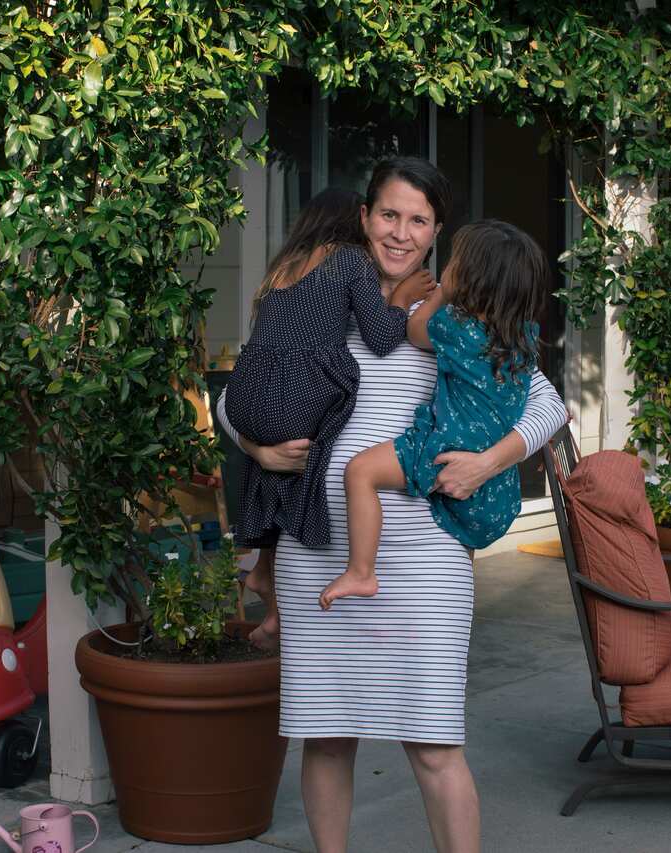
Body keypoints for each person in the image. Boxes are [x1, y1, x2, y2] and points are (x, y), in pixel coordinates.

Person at [218, 157, 566, 853]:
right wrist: (255, 451)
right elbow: (234, 398)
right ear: (365, 215)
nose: (400, 232)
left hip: (425, 556)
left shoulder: (454, 314)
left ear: (437, 230)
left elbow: (546, 404)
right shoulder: (319, 292)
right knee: (327, 736)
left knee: (433, 742)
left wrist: (486, 462)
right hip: (318, 555)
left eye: (418, 219)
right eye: (388, 214)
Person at [223, 188, 434, 645]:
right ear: (357, 223)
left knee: (283, 462)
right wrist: (402, 296)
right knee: (315, 445)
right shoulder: (350, 259)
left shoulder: (282, 268)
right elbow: (379, 337)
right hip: (294, 394)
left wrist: (255, 447)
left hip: (248, 392)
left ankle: (263, 572)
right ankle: (267, 577)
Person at [320, 220, 546, 609]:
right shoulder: (523, 337)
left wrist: (439, 295)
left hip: (446, 449)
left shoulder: (457, 328)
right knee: (459, 562)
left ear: (469, 279)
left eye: (455, 261)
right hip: (499, 496)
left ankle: (361, 571)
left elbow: (414, 329)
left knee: (360, 472)